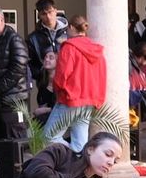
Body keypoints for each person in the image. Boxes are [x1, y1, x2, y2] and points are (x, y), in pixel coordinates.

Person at [0, 6, 31, 178]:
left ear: (2, 20)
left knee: (14, 144)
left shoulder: (14, 40)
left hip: (11, 102)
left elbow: (17, 69)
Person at [43, 15, 106, 151]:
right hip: (89, 100)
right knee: (80, 141)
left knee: (49, 137)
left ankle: (75, 158)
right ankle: (78, 165)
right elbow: (102, 75)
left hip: (70, 98)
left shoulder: (69, 47)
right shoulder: (97, 50)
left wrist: (58, 89)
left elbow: (62, 75)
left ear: (71, 27)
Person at [27, 0, 68, 113]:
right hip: (45, 84)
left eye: (50, 12)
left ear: (55, 11)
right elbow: (30, 63)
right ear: (39, 15)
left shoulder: (69, 33)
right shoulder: (33, 38)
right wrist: (43, 74)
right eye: (44, 14)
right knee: (45, 119)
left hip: (67, 83)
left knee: (67, 118)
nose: (48, 17)